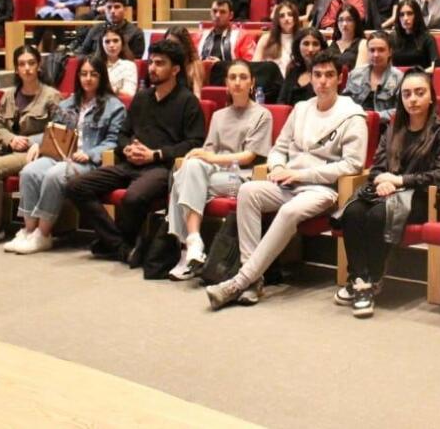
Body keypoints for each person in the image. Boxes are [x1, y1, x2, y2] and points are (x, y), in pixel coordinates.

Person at [206, 50, 367, 309]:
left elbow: (352, 164)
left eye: (329, 75)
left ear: (340, 79)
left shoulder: (352, 115)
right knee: (248, 191)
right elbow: (278, 148)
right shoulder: (301, 109)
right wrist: (279, 166)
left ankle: (239, 281)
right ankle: (253, 280)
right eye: (317, 75)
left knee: (289, 211)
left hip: (322, 190)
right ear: (310, 78)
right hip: (288, 183)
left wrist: (300, 174)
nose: (323, 81)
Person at [66, 40, 205, 261]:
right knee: (76, 186)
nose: (152, 68)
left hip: (161, 168)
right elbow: (122, 134)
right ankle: (120, 246)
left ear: (175, 69)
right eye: (151, 62)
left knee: (133, 198)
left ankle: (113, 244)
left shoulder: (188, 101)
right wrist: (127, 148)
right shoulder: (142, 97)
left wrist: (155, 154)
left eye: (160, 63)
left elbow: (194, 143)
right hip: (129, 163)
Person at [336, 69, 440, 317]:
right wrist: (383, 182)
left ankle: (370, 280)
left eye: (419, 93)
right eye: (407, 94)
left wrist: (400, 181)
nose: (413, 99)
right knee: (353, 211)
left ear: (431, 97)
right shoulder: (393, 129)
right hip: (386, 192)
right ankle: (360, 279)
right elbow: (377, 168)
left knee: (378, 215)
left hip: (421, 198)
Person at [5, 56, 125, 254]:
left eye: (93, 74)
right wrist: (37, 143)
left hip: (88, 162)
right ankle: (28, 230)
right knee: (29, 171)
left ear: (102, 77)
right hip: (60, 154)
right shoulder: (67, 103)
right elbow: (53, 131)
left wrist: (90, 154)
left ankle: (43, 234)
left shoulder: (114, 107)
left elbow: (114, 141)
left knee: (55, 175)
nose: (88, 79)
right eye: (83, 74)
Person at [167, 59, 272, 281]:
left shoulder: (262, 114)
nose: (237, 82)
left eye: (243, 77)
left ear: (252, 82)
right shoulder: (219, 115)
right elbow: (208, 151)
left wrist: (211, 158)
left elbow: (249, 156)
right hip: (214, 173)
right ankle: (194, 242)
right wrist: (196, 154)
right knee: (190, 166)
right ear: (226, 83)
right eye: (232, 77)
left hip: (242, 177)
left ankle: (187, 250)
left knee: (181, 180)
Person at [0, 45, 62, 247]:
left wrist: (31, 141)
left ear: (39, 66)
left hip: (33, 152)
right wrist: (10, 139)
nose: (27, 68)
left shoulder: (51, 96)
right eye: (22, 64)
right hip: (5, 147)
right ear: (16, 69)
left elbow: (57, 130)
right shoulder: (9, 95)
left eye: (31, 63)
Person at [344, 32, 404, 127]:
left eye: (381, 50)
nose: (376, 55)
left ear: (390, 52)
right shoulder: (355, 74)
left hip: (384, 127)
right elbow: (345, 102)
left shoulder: (399, 78)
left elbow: (401, 110)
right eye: (372, 50)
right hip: (354, 124)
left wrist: (373, 117)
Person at [196, 0, 257, 71]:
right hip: (203, 74)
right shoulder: (200, 36)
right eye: (214, 11)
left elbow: (249, 65)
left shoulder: (243, 36)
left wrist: (222, 65)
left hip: (230, 75)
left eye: (222, 12)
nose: (217, 15)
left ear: (231, 15)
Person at [77, 0, 145, 60]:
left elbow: (137, 60)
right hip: (95, 65)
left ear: (125, 9)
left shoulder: (135, 32)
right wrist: (94, 61)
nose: (112, 11)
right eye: (109, 7)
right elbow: (82, 53)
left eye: (117, 7)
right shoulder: (96, 28)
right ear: (105, 10)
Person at [278, 27, 329, 105]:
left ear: (322, 48)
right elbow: (281, 102)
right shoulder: (292, 69)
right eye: (306, 44)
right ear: (298, 46)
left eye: (315, 44)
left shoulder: (327, 73)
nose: (310, 49)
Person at [391, 0, 440, 70]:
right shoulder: (392, 38)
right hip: (397, 76)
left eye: (409, 13)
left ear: (417, 16)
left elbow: (435, 66)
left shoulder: (428, 38)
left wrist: (420, 74)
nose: (405, 18)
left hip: (420, 76)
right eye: (401, 15)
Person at [252, 1, 300, 75]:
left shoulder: (302, 38)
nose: (286, 18)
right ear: (277, 20)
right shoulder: (266, 38)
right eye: (282, 16)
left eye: (290, 14)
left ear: (295, 18)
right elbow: (255, 65)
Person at [164, 26, 205, 97]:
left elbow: (197, 95)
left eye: (175, 44)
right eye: (168, 44)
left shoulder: (194, 65)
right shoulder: (163, 64)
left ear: (184, 46)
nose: (170, 48)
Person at [101, 26, 139, 99]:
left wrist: (111, 89)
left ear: (122, 43)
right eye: (107, 42)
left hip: (118, 103)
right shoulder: (94, 64)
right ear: (101, 44)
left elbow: (130, 93)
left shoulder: (129, 65)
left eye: (115, 41)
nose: (111, 45)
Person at [329, 5, 369, 72]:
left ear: (356, 23)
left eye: (349, 20)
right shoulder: (329, 43)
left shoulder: (363, 44)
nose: (344, 24)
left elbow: (360, 73)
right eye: (341, 20)